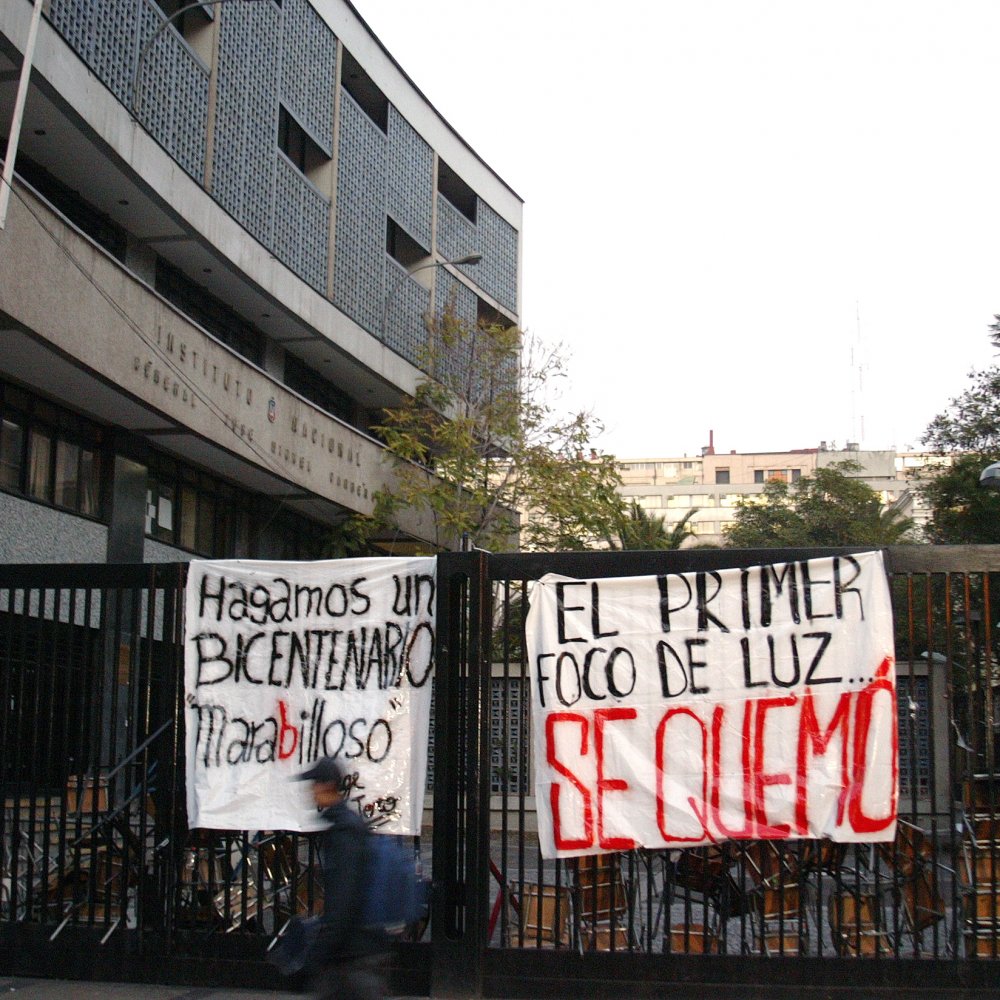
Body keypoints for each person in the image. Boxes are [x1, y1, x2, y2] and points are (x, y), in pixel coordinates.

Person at [297, 756, 389, 1000]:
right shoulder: (346, 825)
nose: (311, 791)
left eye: (314, 784)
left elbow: (343, 898)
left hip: (352, 954)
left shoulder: (344, 831)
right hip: (355, 950)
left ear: (327, 785)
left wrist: (319, 954)